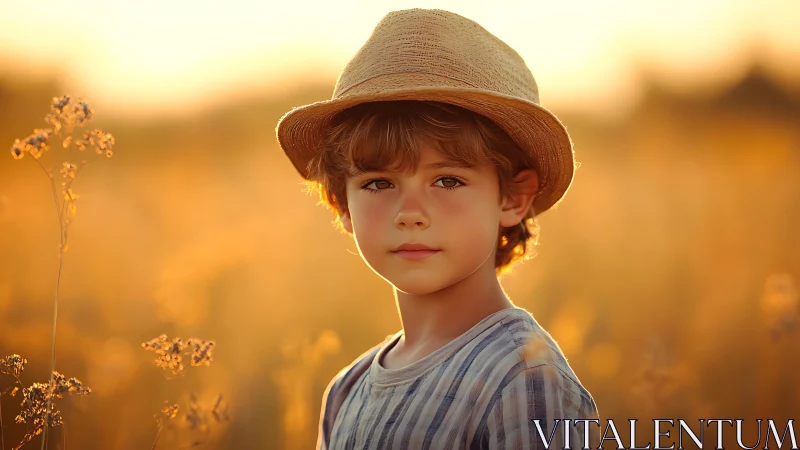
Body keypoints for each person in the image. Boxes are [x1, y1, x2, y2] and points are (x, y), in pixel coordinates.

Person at [275, 8, 601, 450]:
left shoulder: (523, 379)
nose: (410, 213)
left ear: (512, 198)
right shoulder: (346, 390)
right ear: (342, 204)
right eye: (378, 183)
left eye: (447, 180)